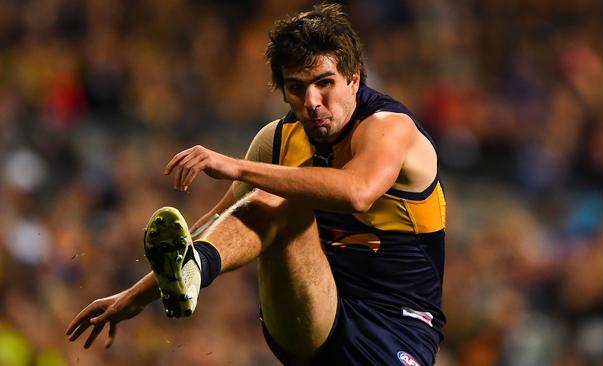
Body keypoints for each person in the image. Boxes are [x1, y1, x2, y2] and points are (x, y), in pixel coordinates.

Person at [66, 4, 447, 365]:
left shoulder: (388, 127)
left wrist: (236, 166)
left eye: (324, 83)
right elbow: (220, 225)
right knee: (277, 202)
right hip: (312, 314)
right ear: (282, 90)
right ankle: (195, 271)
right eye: (297, 88)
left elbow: (357, 192)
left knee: (282, 195)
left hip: (396, 331)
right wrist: (135, 296)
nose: (312, 101)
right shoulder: (277, 140)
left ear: (354, 77)